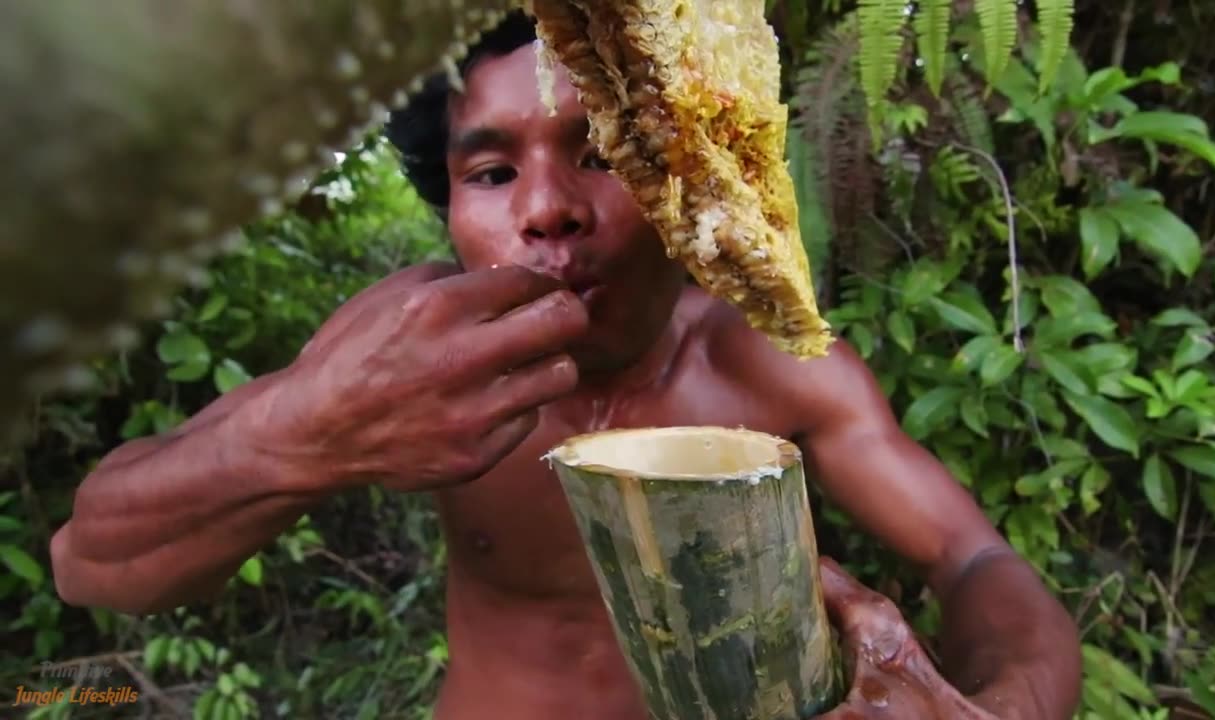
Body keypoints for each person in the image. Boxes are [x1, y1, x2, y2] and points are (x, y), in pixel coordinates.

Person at [49, 11, 1082, 720]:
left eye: (600, 152)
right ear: (449, 209)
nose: (544, 208)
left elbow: (975, 560)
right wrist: (303, 436)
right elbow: (91, 564)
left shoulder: (770, 365)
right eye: (491, 172)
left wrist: (991, 705)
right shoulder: (397, 357)